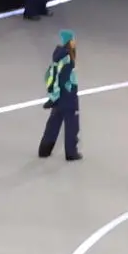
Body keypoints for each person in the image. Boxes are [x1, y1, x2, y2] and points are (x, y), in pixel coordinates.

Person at [39, 31, 82, 161]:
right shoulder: (68, 59)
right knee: (72, 125)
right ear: (69, 42)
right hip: (68, 96)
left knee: (54, 123)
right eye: (73, 40)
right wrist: (68, 89)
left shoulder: (58, 57)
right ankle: (71, 152)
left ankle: (44, 150)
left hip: (59, 97)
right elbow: (64, 78)